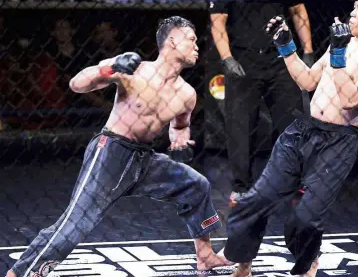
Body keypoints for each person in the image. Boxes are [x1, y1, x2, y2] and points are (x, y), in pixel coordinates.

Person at [5, 16, 232, 277]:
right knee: (75, 223)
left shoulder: (187, 94)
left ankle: (205, 256)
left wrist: (180, 142)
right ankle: (19, 273)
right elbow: (77, 84)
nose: (197, 46)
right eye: (191, 40)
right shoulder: (135, 70)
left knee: (196, 185)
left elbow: (180, 126)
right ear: (172, 40)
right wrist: (111, 66)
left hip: (145, 159)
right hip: (111, 153)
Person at [223, 0, 358, 277]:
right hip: (301, 133)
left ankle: (309, 259)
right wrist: (286, 46)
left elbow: (351, 101)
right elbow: (307, 82)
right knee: (256, 200)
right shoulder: (340, 43)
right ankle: (243, 264)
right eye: (352, 7)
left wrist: (338, 54)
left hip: (337, 143)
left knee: (306, 218)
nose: (352, 12)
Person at [209, 0, 315, 205]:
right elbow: (217, 21)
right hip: (243, 58)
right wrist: (227, 58)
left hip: (281, 57)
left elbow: (298, 10)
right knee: (240, 126)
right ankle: (242, 188)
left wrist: (308, 51)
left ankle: (295, 183)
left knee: (292, 122)